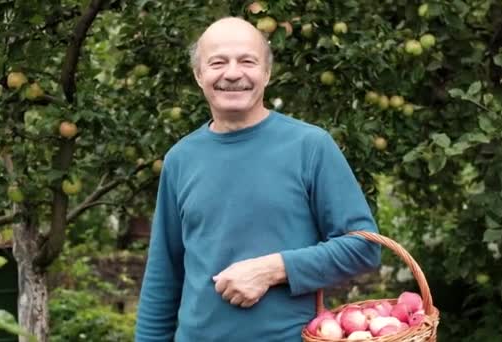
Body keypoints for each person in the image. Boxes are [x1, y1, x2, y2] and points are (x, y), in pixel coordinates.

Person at [135, 16, 381, 341]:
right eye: (217, 62)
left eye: (247, 61)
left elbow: (364, 247)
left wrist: (275, 269)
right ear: (199, 75)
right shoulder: (180, 159)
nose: (233, 73)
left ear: (266, 73)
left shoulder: (310, 146)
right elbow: (163, 276)